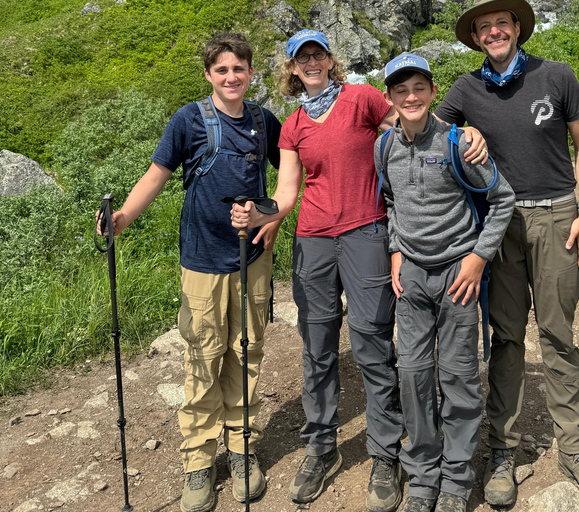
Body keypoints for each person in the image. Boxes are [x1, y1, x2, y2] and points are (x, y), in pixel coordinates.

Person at [229, 29, 488, 512]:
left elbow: (415, 119)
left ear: (330, 59)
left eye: (317, 54)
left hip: (367, 230)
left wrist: (465, 131)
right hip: (313, 238)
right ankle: (321, 447)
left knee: (371, 341)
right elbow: (288, 191)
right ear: (290, 67)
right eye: (300, 57)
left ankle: (385, 452)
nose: (310, 62)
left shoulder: (363, 98)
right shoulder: (292, 125)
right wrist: (265, 215)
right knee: (318, 344)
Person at [433, 0, 579, 508]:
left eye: (501, 23)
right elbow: (413, 125)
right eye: (483, 27)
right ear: (475, 37)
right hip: (500, 223)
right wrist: (458, 131)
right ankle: (501, 453)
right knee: (507, 337)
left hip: (559, 216)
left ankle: (575, 450)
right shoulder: (466, 89)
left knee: (558, 334)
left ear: (517, 28)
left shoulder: (556, 75)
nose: (493, 32)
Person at [97, 33, 281, 512]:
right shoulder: (188, 120)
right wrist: (123, 219)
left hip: (252, 261)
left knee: (248, 353)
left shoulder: (266, 121)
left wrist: (273, 221)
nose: (231, 77)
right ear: (208, 75)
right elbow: (157, 174)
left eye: (239, 68)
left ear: (251, 72)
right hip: (201, 260)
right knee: (203, 357)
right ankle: (198, 461)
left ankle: (242, 450)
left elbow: (293, 176)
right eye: (221, 70)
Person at [376, 53, 515, 512]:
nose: (411, 97)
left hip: (459, 273)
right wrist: (396, 249)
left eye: (419, 87)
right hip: (412, 277)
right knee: (413, 375)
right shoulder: (385, 148)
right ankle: (421, 477)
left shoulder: (457, 143)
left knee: (457, 377)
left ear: (434, 92)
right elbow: (392, 201)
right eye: (401, 90)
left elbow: (502, 199)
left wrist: (478, 258)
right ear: (390, 98)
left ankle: (456, 479)